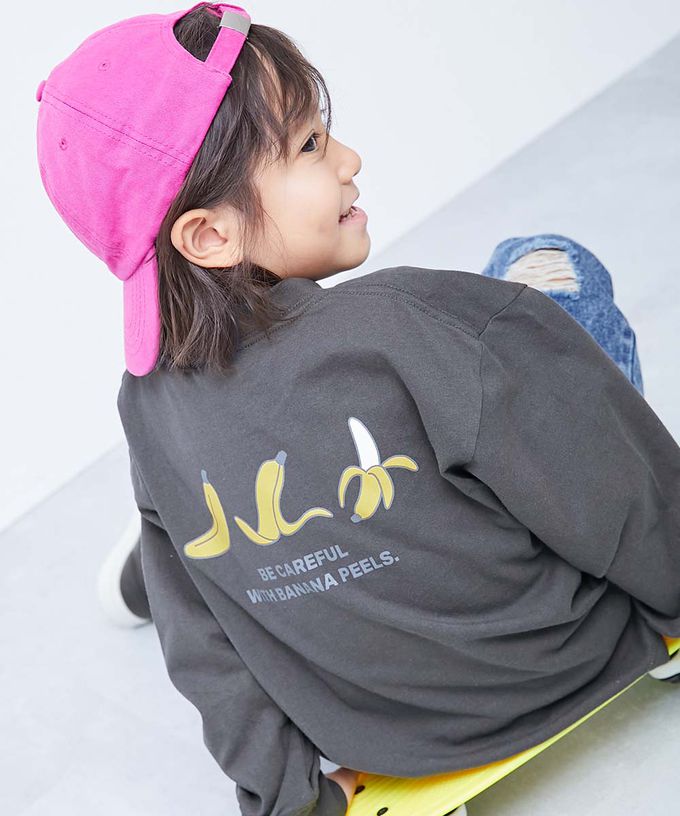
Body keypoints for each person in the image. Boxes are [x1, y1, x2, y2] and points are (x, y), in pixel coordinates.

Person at [35, 4, 680, 816]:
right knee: (541, 272)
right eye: (310, 145)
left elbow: (204, 648)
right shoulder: (414, 323)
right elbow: (599, 476)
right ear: (209, 236)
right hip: (575, 659)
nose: (349, 159)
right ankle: (189, 536)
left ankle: (184, 544)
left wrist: (290, 798)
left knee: (194, 536)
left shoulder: (148, 410)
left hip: (391, 739)